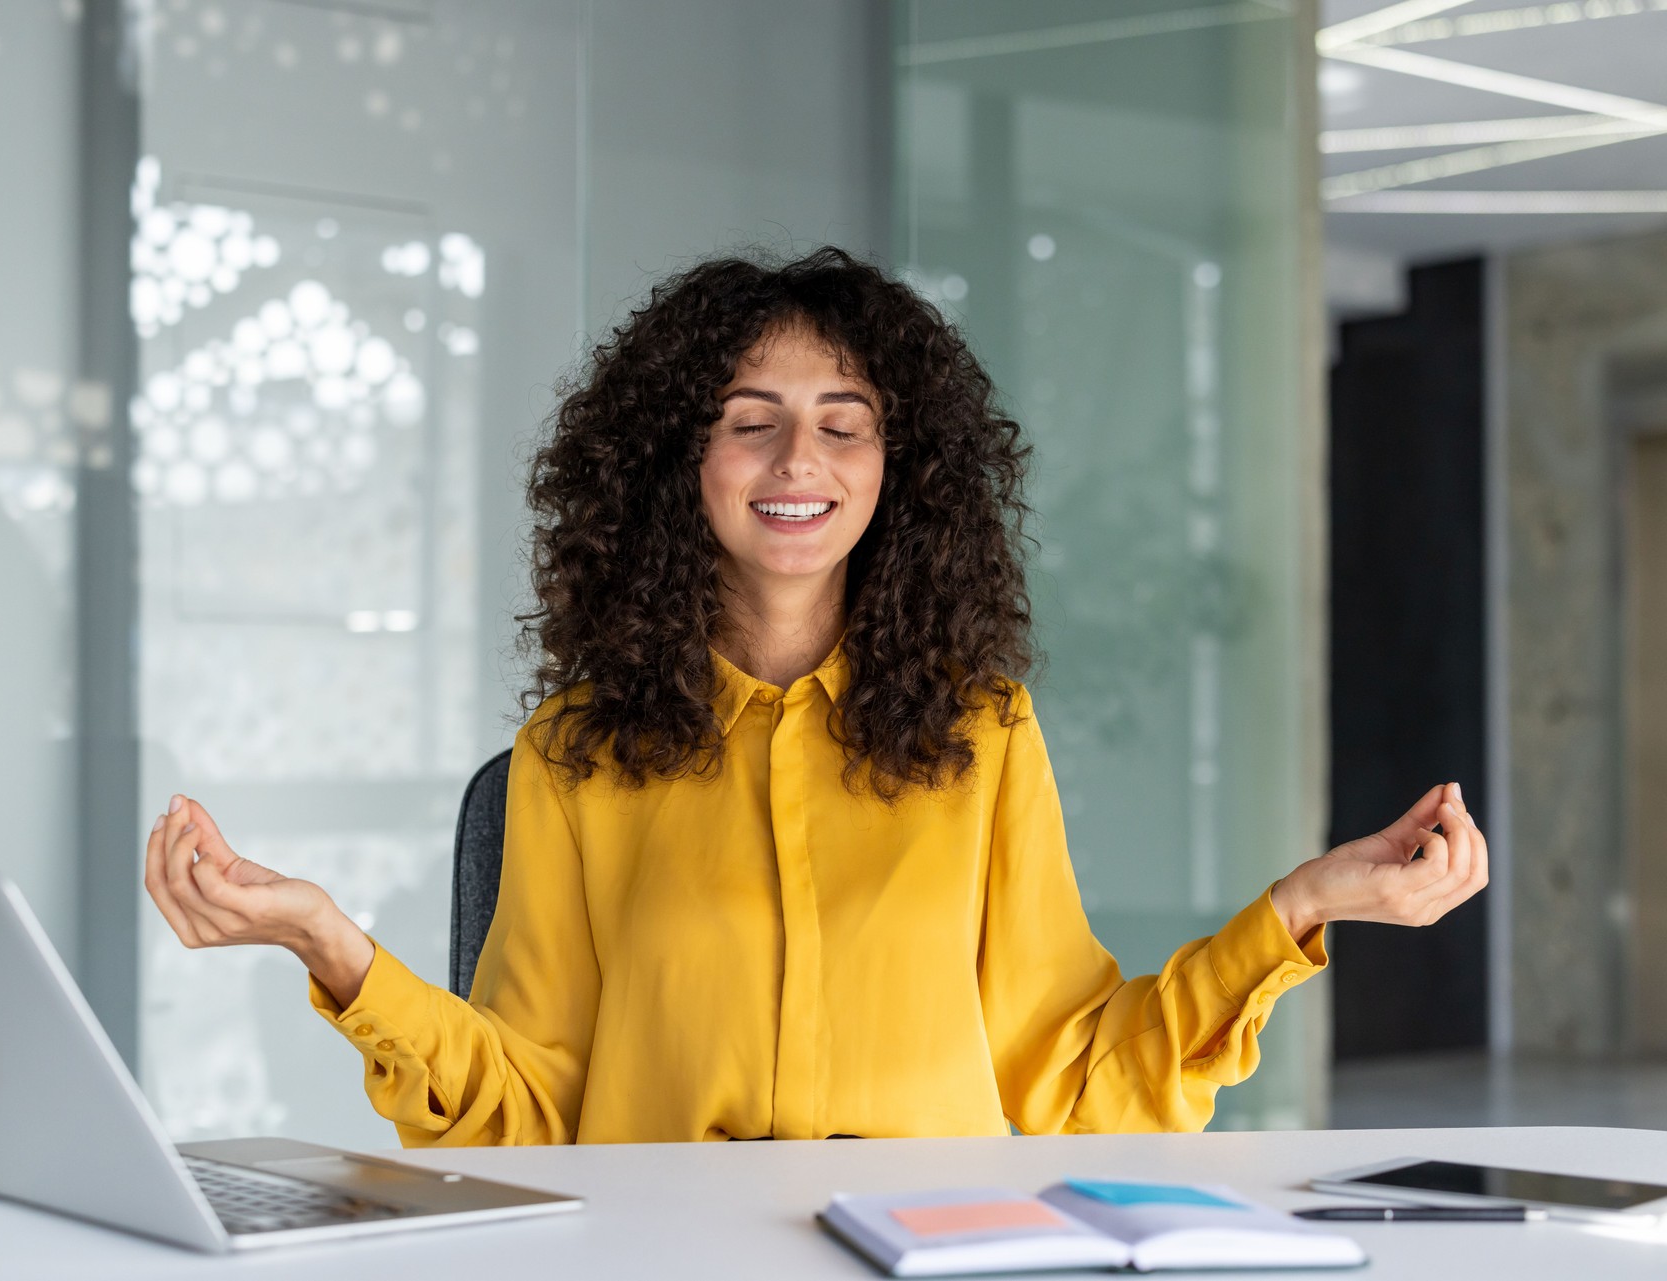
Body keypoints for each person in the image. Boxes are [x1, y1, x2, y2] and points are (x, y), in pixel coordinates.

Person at [143, 246, 1488, 1146]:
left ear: (901, 469)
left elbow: (1070, 1079)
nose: (802, 455)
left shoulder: (985, 737)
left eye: (847, 420)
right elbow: (528, 1110)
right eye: (750, 417)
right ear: (681, 461)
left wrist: (1302, 909)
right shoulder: (573, 756)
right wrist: (332, 943)